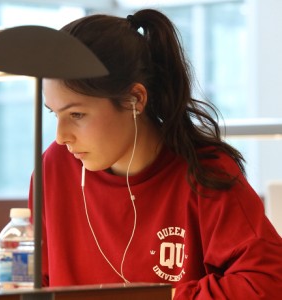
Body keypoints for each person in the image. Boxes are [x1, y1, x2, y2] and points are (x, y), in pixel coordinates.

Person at [29, 9, 282, 299]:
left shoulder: (205, 172)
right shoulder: (54, 168)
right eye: (55, 114)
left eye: (76, 114)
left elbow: (267, 282)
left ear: (135, 99)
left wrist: (162, 296)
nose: (61, 136)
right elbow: (38, 285)